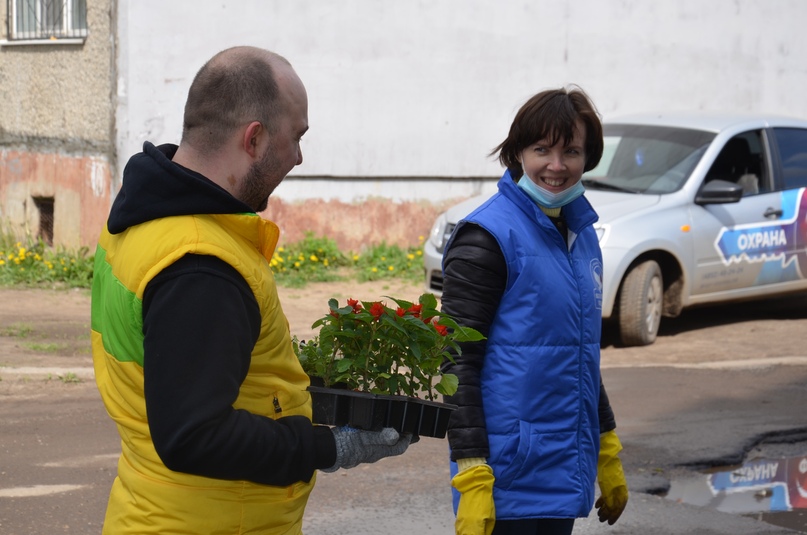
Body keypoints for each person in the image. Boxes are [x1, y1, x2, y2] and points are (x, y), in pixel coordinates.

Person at [90, 46, 411, 534]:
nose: (300, 157)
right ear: (255, 139)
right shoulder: (200, 265)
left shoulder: (146, 221)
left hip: (156, 508)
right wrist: (331, 447)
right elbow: (194, 435)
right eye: (296, 137)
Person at [440, 86, 629, 535]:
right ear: (518, 153)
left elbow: (579, 352)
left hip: (563, 472)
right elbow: (455, 363)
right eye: (541, 149)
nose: (556, 166)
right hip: (506, 478)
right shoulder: (487, 237)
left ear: (589, 157)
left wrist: (605, 447)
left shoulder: (581, 235)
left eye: (572, 151)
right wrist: (471, 474)